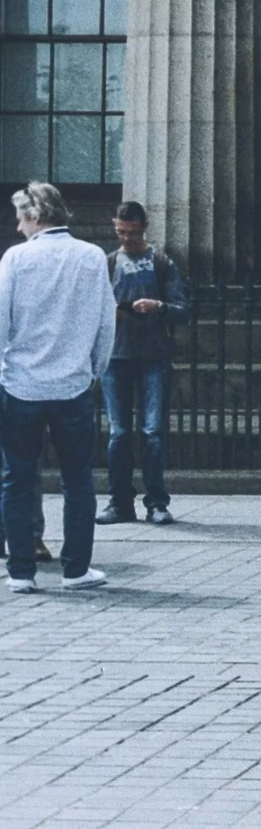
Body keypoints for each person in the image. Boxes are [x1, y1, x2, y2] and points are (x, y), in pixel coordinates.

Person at [1, 183, 117, 594]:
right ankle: (76, 569)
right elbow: (107, 322)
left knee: (17, 479)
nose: (18, 227)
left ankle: (21, 573)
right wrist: (93, 369)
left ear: (35, 215)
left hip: (22, 386)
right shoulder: (90, 257)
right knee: (78, 480)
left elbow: (2, 321)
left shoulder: (16, 259)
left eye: (20, 217)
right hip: (72, 386)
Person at [97, 201, 190, 527]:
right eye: (121, 233)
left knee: (152, 432)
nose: (126, 239)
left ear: (143, 228)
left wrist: (159, 306)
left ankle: (156, 502)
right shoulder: (109, 263)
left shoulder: (161, 262)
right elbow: (94, 309)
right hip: (116, 356)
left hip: (153, 357)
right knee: (119, 434)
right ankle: (120, 502)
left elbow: (183, 309)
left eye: (132, 233)